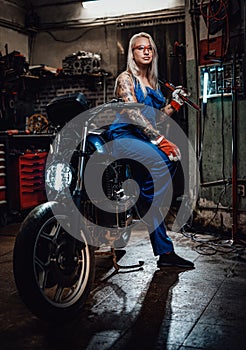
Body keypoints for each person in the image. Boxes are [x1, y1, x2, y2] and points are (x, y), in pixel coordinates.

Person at [105, 32, 194, 268]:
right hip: (124, 136)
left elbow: (156, 120)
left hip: (143, 138)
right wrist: (160, 140)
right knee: (163, 158)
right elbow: (133, 115)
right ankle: (141, 199)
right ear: (132, 54)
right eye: (140, 48)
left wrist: (174, 105)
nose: (146, 51)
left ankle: (165, 254)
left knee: (172, 160)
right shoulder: (126, 79)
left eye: (150, 48)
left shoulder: (153, 84)